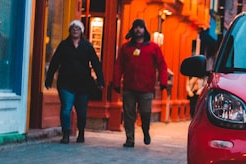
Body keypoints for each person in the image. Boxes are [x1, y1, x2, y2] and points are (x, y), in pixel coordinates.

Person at [111, 19, 169, 147]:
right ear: (133, 30)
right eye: (136, 27)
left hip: (146, 88)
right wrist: (116, 82)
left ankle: (145, 131)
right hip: (129, 87)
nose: (138, 30)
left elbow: (162, 65)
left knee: (145, 113)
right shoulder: (126, 48)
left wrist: (163, 81)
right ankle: (129, 139)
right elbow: (118, 66)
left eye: (141, 27)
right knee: (129, 114)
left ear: (144, 30)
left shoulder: (153, 47)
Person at [45, 20, 104, 144]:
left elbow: (95, 64)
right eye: (73, 28)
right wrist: (49, 78)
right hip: (66, 83)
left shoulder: (87, 46)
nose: (75, 30)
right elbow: (55, 62)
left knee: (81, 111)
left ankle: (81, 132)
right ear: (69, 30)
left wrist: (100, 80)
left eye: (78, 28)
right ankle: (65, 133)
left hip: (83, 84)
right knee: (66, 108)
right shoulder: (64, 45)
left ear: (81, 31)